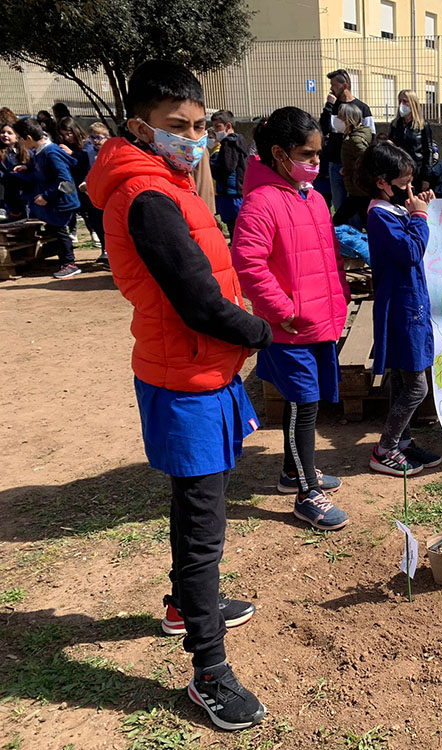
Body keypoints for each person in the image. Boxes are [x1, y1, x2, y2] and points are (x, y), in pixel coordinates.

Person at [86, 59, 271, 731]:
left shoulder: (168, 182)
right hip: (184, 378)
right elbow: (197, 301)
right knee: (202, 527)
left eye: (199, 126)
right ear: (139, 127)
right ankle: (208, 673)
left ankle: (184, 605)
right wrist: (258, 329)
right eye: (176, 127)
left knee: (205, 511)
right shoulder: (147, 199)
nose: (193, 138)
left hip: (204, 373)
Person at [231, 107, 351, 529]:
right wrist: (282, 311)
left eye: (319, 154)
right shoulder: (261, 202)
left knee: (306, 404)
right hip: (290, 330)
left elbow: (327, 255)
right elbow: (248, 264)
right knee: (304, 404)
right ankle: (306, 493)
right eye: (308, 154)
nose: (316, 163)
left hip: (319, 322)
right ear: (279, 154)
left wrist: (342, 293)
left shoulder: (313, 197)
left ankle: (291, 472)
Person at [360, 140, 441, 477]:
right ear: (382, 182)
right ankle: (386, 449)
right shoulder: (379, 215)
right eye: (404, 182)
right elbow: (409, 251)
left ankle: (402, 441)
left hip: (410, 305)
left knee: (402, 377)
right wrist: (420, 216)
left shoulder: (392, 211)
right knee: (416, 386)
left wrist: (417, 210)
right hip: (401, 309)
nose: (410, 188)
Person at [11, 118, 81, 278]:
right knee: (57, 231)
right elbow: (40, 167)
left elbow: (65, 181)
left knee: (61, 231)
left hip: (63, 202)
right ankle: (65, 261)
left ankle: (70, 263)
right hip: (56, 202)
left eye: (20, 138)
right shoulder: (41, 151)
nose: (20, 143)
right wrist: (27, 167)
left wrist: (47, 196)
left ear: (27, 138)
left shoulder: (51, 153)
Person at [319, 69, 374, 211]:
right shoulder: (333, 107)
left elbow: (371, 137)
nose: (331, 89)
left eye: (334, 85)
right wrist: (328, 106)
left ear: (344, 86)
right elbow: (322, 129)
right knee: (339, 205)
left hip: (356, 166)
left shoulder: (363, 108)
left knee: (357, 204)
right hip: (336, 164)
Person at [331, 102, 373, 229]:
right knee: (367, 222)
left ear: (348, 120)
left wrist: (353, 170)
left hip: (359, 190)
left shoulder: (355, 140)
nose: (336, 120)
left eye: (340, 117)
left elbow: (367, 161)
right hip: (357, 189)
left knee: (338, 220)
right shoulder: (356, 135)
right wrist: (348, 167)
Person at [209, 110, 250, 236]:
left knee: (235, 228)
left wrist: (212, 164)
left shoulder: (228, 143)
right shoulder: (240, 140)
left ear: (228, 126)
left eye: (218, 126)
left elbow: (226, 167)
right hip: (239, 190)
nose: (215, 130)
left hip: (230, 193)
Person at [56, 117, 96, 246]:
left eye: (69, 133)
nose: (67, 137)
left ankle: (94, 232)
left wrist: (72, 154)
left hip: (84, 182)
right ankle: (73, 232)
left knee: (88, 211)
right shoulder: (62, 145)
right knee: (73, 209)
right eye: (63, 135)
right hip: (71, 183)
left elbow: (86, 160)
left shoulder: (87, 144)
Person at [387, 90, 433, 191]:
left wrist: (426, 177)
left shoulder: (422, 125)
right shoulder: (395, 125)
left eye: (405, 101)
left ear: (413, 103)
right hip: (398, 171)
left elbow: (428, 151)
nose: (401, 104)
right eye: (400, 101)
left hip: (416, 172)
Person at [82, 123, 110, 260]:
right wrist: (85, 182)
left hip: (109, 192)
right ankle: (105, 249)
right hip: (95, 192)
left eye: (99, 137)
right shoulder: (90, 152)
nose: (96, 141)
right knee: (97, 221)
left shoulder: (112, 150)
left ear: (107, 137)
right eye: (92, 137)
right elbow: (90, 171)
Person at [0, 122, 30, 220]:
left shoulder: (25, 152)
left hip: (21, 191)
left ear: (17, 137)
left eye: (9, 133)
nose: (5, 135)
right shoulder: (2, 152)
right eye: (3, 132)